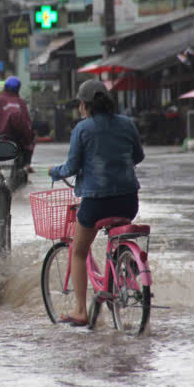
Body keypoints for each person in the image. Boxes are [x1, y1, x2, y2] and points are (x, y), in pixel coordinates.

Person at [48, 79, 145, 327]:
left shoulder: (82, 129)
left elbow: (71, 167)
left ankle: (81, 310)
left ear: (85, 105)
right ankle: (120, 273)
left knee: (78, 251)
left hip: (96, 202)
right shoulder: (127, 124)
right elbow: (138, 156)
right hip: (128, 202)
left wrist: (54, 171)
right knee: (114, 239)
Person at [0, 76, 35, 171]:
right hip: (16, 141)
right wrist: (29, 142)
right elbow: (27, 126)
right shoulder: (20, 103)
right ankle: (27, 164)